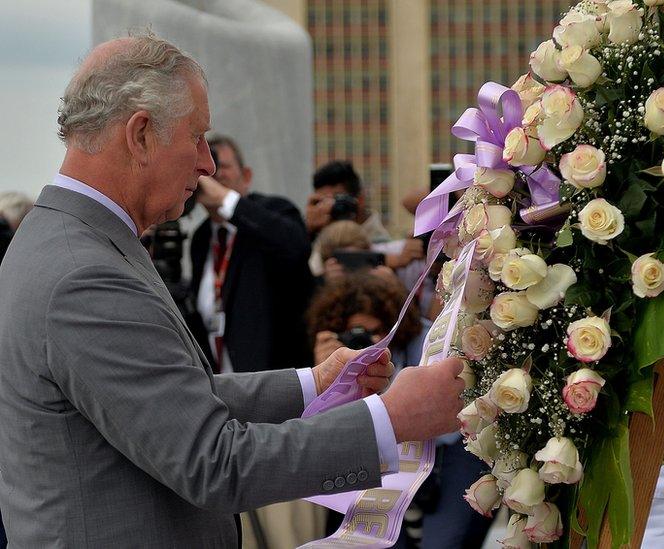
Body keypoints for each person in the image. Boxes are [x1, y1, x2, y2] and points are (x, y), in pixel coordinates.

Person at [0, 34, 464, 548]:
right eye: (196, 136)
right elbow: (213, 464)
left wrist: (314, 384)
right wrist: (392, 419)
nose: (207, 164)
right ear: (141, 135)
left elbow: (170, 396)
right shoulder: (82, 273)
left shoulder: (73, 242)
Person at [189, 134, 314, 373]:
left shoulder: (274, 211)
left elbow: (295, 247)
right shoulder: (201, 237)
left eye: (222, 166)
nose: (214, 175)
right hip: (223, 380)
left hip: (274, 376)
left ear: (246, 177)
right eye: (206, 170)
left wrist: (227, 201)